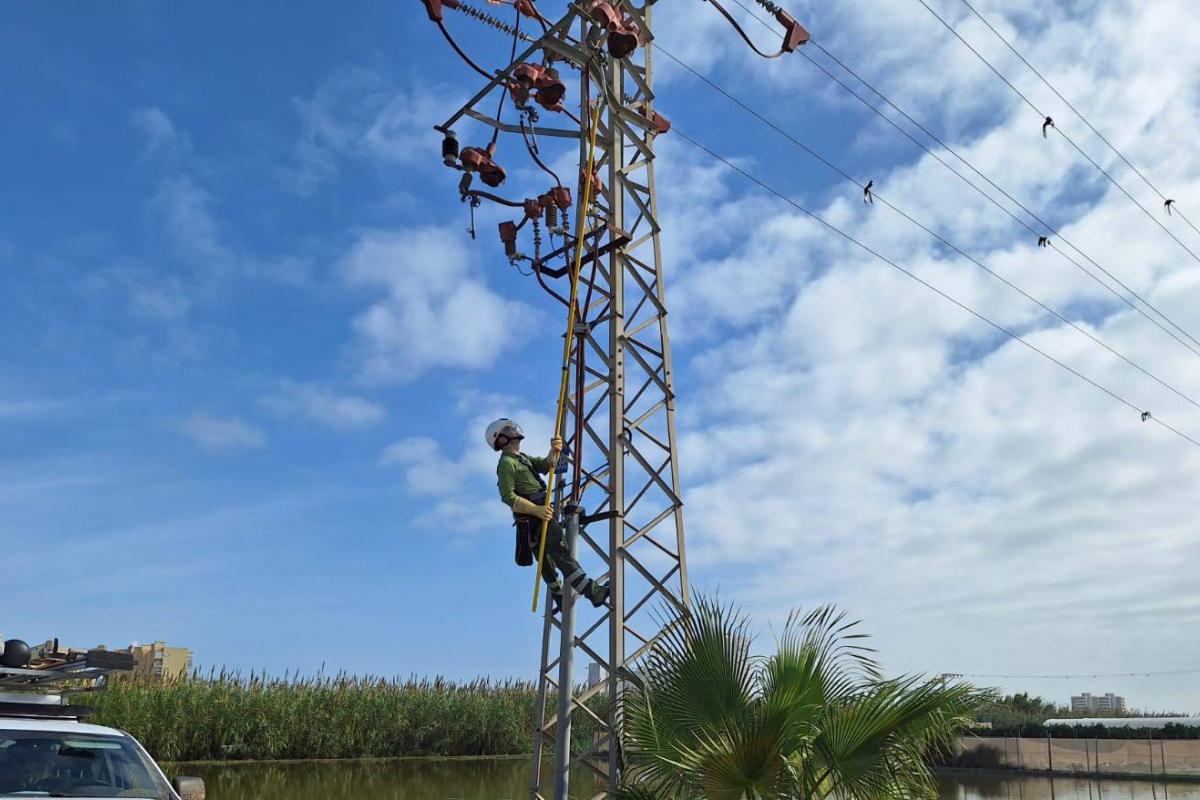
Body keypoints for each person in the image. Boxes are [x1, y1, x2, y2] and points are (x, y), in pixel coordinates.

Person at [487, 418, 609, 609]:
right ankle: (594, 592)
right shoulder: (507, 463)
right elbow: (508, 496)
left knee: (548, 559)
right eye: (509, 430)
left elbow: (546, 465)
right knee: (561, 553)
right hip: (534, 517)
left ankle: (559, 594)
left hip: (540, 513)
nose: (514, 430)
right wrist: (535, 510)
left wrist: (555, 450)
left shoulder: (522, 458)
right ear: (501, 439)